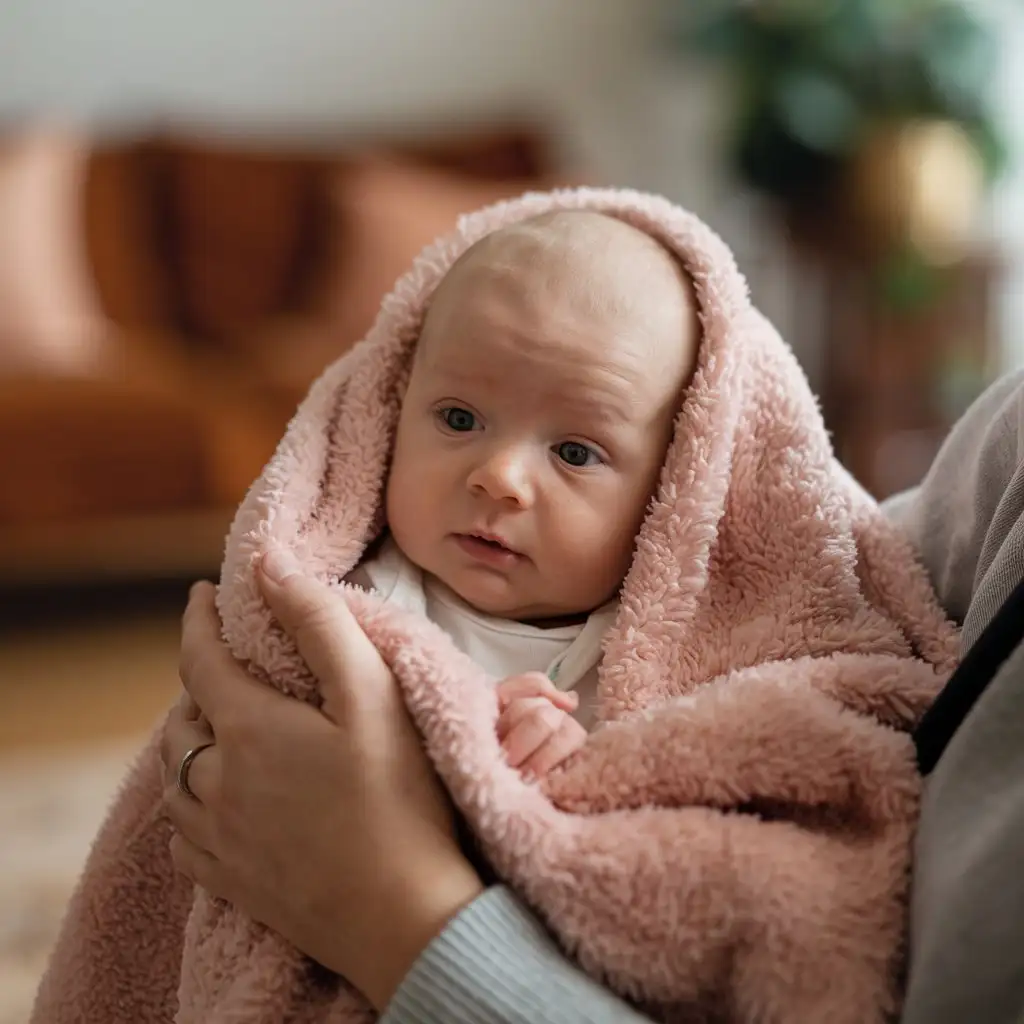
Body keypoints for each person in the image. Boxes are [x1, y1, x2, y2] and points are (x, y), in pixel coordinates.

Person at [163, 366, 1024, 1024]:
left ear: (674, 495)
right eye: (458, 419)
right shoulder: (367, 594)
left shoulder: (650, 629)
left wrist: (534, 771)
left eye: (575, 452)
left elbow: (674, 755)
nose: (498, 474)